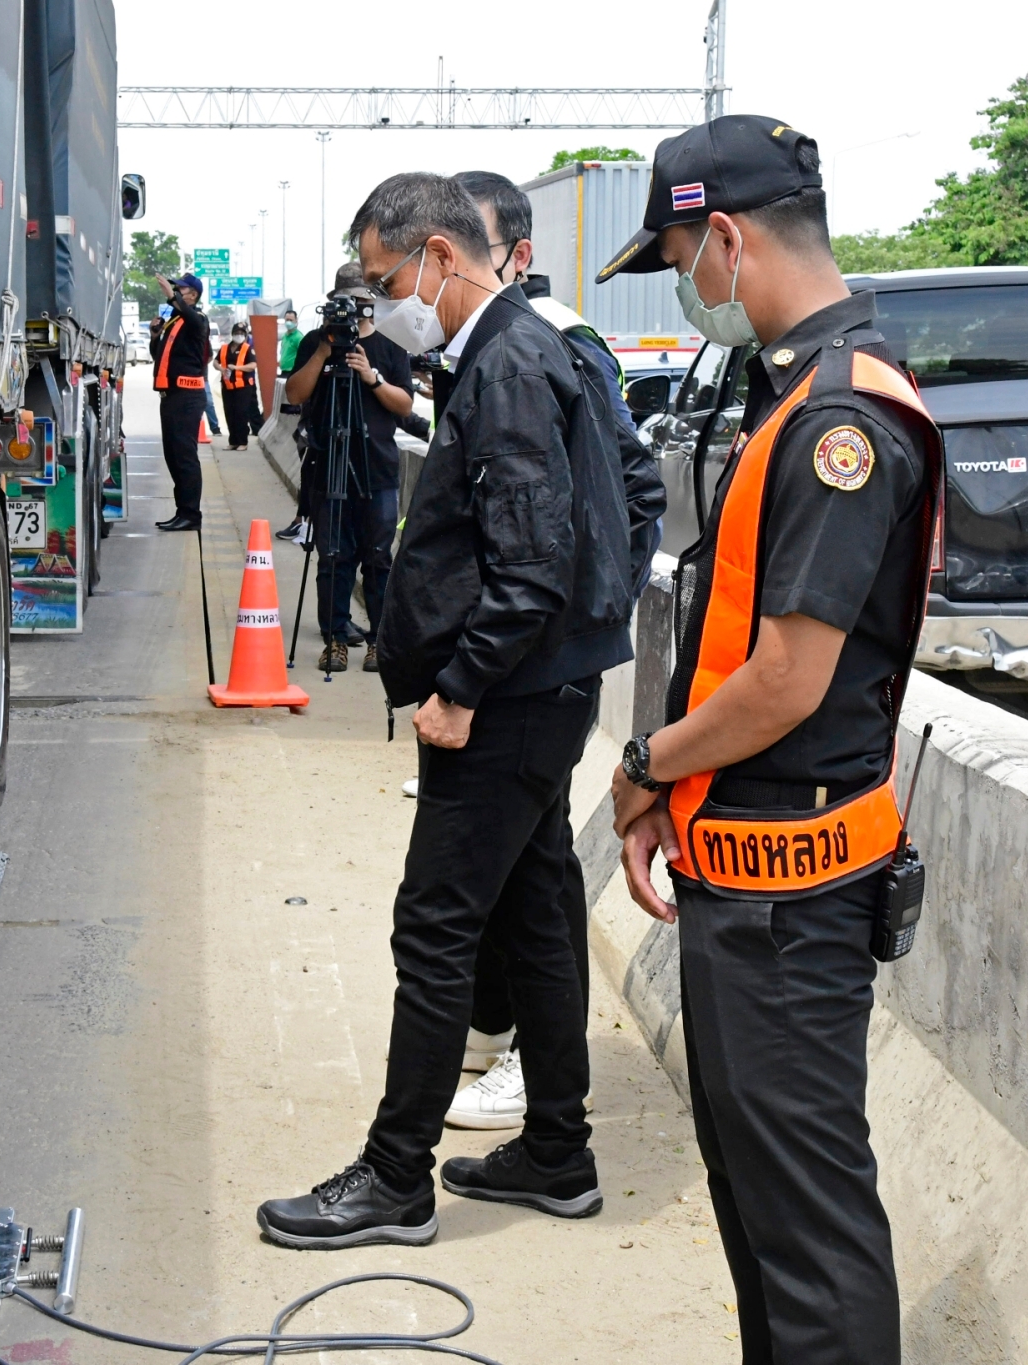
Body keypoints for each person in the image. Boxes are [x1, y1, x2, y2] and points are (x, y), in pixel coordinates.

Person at [255, 171, 661, 1250]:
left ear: (437, 257)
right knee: (533, 912)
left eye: (386, 279)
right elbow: (614, 503)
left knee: (432, 928)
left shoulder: (510, 363)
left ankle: (394, 1179)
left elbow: (527, 567)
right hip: (541, 686)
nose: (385, 301)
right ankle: (556, 1153)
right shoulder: (515, 351)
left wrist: (459, 688)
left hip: (507, 699)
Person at [606, 117, 939, 1365]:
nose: (689, 285)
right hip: (745, 876)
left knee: (806, 1234)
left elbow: (786, 681)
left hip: (791, 895)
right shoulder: (798, 390)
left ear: (728, 237)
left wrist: (644, 766)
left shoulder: (837, 421)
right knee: (761, 1208)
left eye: (682, 254)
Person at [439, 171, 661, 1134]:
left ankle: (536, 1062)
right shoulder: (482, 346)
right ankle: (496, 1026)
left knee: (536, 870)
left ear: (513, 256)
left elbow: (631, 490)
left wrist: (577, 624)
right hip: (511, 654)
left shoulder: (558, 345)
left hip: (542, 661)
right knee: (520, 862)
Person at [284, 263, 414, 673]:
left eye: (360, 303)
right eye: (345, 304)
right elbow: (293, 393)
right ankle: (335, 638)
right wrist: (324, 352)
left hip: (376, 469)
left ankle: (378, 640)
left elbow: (405, 406)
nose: (354, 312)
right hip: (327, 467)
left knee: (378, 558)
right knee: (333, 558)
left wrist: (371, 378)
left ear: (371, 304)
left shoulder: (391, 347)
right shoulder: (314, 343)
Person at [150, 273, 211, 531]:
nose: (176, 291)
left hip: (187, 397)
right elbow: (160, 356)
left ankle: (191, 515)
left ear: (193, 295)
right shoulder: (174, 321)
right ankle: (181, 511)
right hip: (171, 397)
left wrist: (172, 297)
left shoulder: (197, 320)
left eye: (181, 289)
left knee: (185, 457)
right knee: (173, 456)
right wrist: (155, 335)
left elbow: (194, 321)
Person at [215, 322, 262, 449]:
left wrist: (237, 368)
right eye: (237, 333)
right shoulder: (224, 348)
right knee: (230, 414)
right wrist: (221, 369)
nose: (239, 335)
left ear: (245, 335)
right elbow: (215, 361)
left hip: (243, 387)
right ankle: (233, 441)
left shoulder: (247, 349)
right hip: (227, 386)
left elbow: (253, 365)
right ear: (232, 334)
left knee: (241, 414)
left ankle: (242, 442)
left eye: (241, 333)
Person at [278, 308, 302, 375]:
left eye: (291, 320)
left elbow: (303, 355)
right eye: (287, 320)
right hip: (283, 371)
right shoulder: (284, 336)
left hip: (293, 372)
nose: (288, 322)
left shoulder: (298, 337)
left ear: (296, 320)